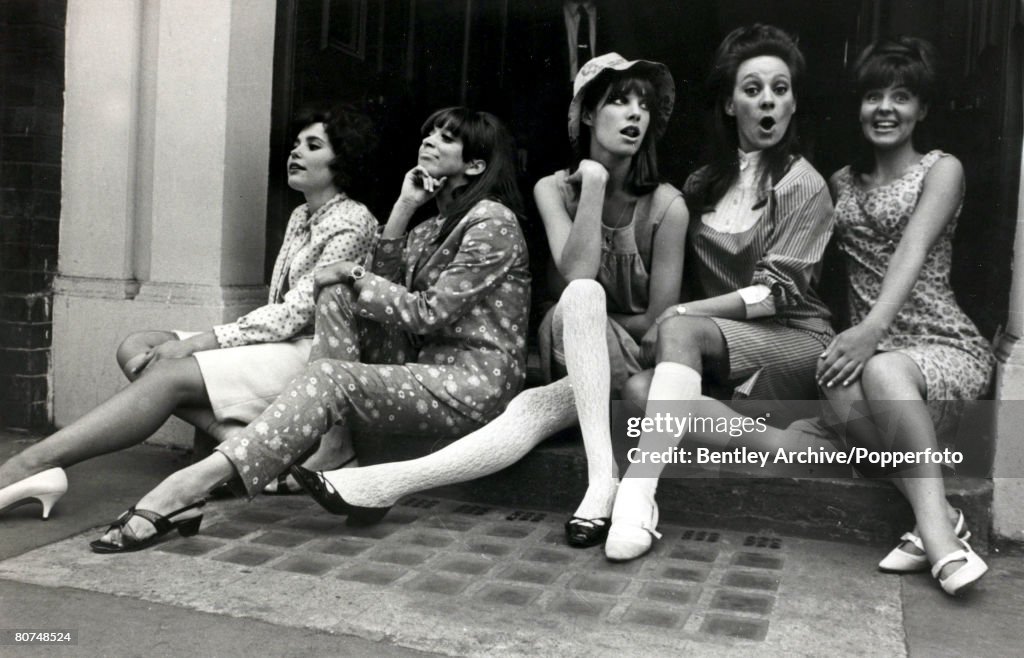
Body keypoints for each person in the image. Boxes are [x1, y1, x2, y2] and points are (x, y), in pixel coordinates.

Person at [286, 53, 688, 550]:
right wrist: (588, 194)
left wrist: (599, 183)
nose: (634, 114)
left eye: (644, 106)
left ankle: (387, 485)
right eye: (619, 101)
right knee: (575, 310)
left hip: (622, 361)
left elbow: (650, 318)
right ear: (587, 114)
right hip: (569, 350)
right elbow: (576, 270)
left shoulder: (668, 205)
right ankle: (600, 482)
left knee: (561, 341)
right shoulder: (551, 188)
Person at [85, 106, 532, 552]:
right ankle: (335, 445)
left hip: (471, 384)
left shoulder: (491, 221)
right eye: (429, 132)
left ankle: (185, 488)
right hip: (420, 369)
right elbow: (385, 281)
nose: (429, 141)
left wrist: (353, 276)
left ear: (474, 165)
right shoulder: (432, 225)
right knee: (335, 291)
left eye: (446, 138)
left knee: (334, 338)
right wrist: (404, 206)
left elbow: (427, 313)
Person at [0, 105, 379, 519]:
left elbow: (296, 315)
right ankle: (249, 446)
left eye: (313, 145)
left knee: (167, 372)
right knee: (140, 345)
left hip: (313, 354)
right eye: (296, 143)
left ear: (341, 160)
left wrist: (201, 343)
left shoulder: (352, 220)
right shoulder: (301, 214)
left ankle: (32, 465)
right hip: (279, 345)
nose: (296, 152)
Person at [606, 24, 836, 561]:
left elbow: (774, 296)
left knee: (677, 337)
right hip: (722, 343)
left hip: (795, 336)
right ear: (731, 105)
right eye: (752, 89)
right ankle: (786, 447)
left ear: (794, 101)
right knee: (641, 394)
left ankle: (638, 496)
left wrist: (680, 316)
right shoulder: (703, 183)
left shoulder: (805, 184)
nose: (768, 102)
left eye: (779, 89)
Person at [818, 37, 992, 595]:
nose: (886, 108)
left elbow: (913, 250)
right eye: (874, 95)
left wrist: (870, 332)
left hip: (941, 345)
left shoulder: (942, 170)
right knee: (833, 385)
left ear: (922, 110)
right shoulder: (839, 183)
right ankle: (939, 512)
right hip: (876, 355)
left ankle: (939, 541)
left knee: (881, 371)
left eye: (902, 96)